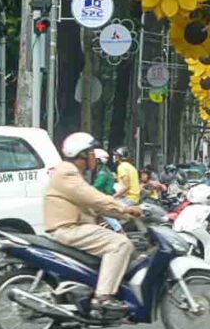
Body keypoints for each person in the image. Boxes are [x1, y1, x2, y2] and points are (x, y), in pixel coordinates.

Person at [45, 132, 141, 312]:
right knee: (120, 244)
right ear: (81, 155)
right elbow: (94, 198)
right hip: (68, 229)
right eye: (91, 153)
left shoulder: (73, 172)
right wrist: (125, 210)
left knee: (127, 247)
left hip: (75, 226)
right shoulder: (68, 173)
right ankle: (102, 297)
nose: (94, 157)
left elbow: (90, 202)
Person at [92, 149, 123, 233]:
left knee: (103, 213)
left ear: (98, 160)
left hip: (106, 197)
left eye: (93, 159)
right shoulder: (101, 170)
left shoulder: (103, 172)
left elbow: (97, 185)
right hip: (103, 196)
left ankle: (120, 231)